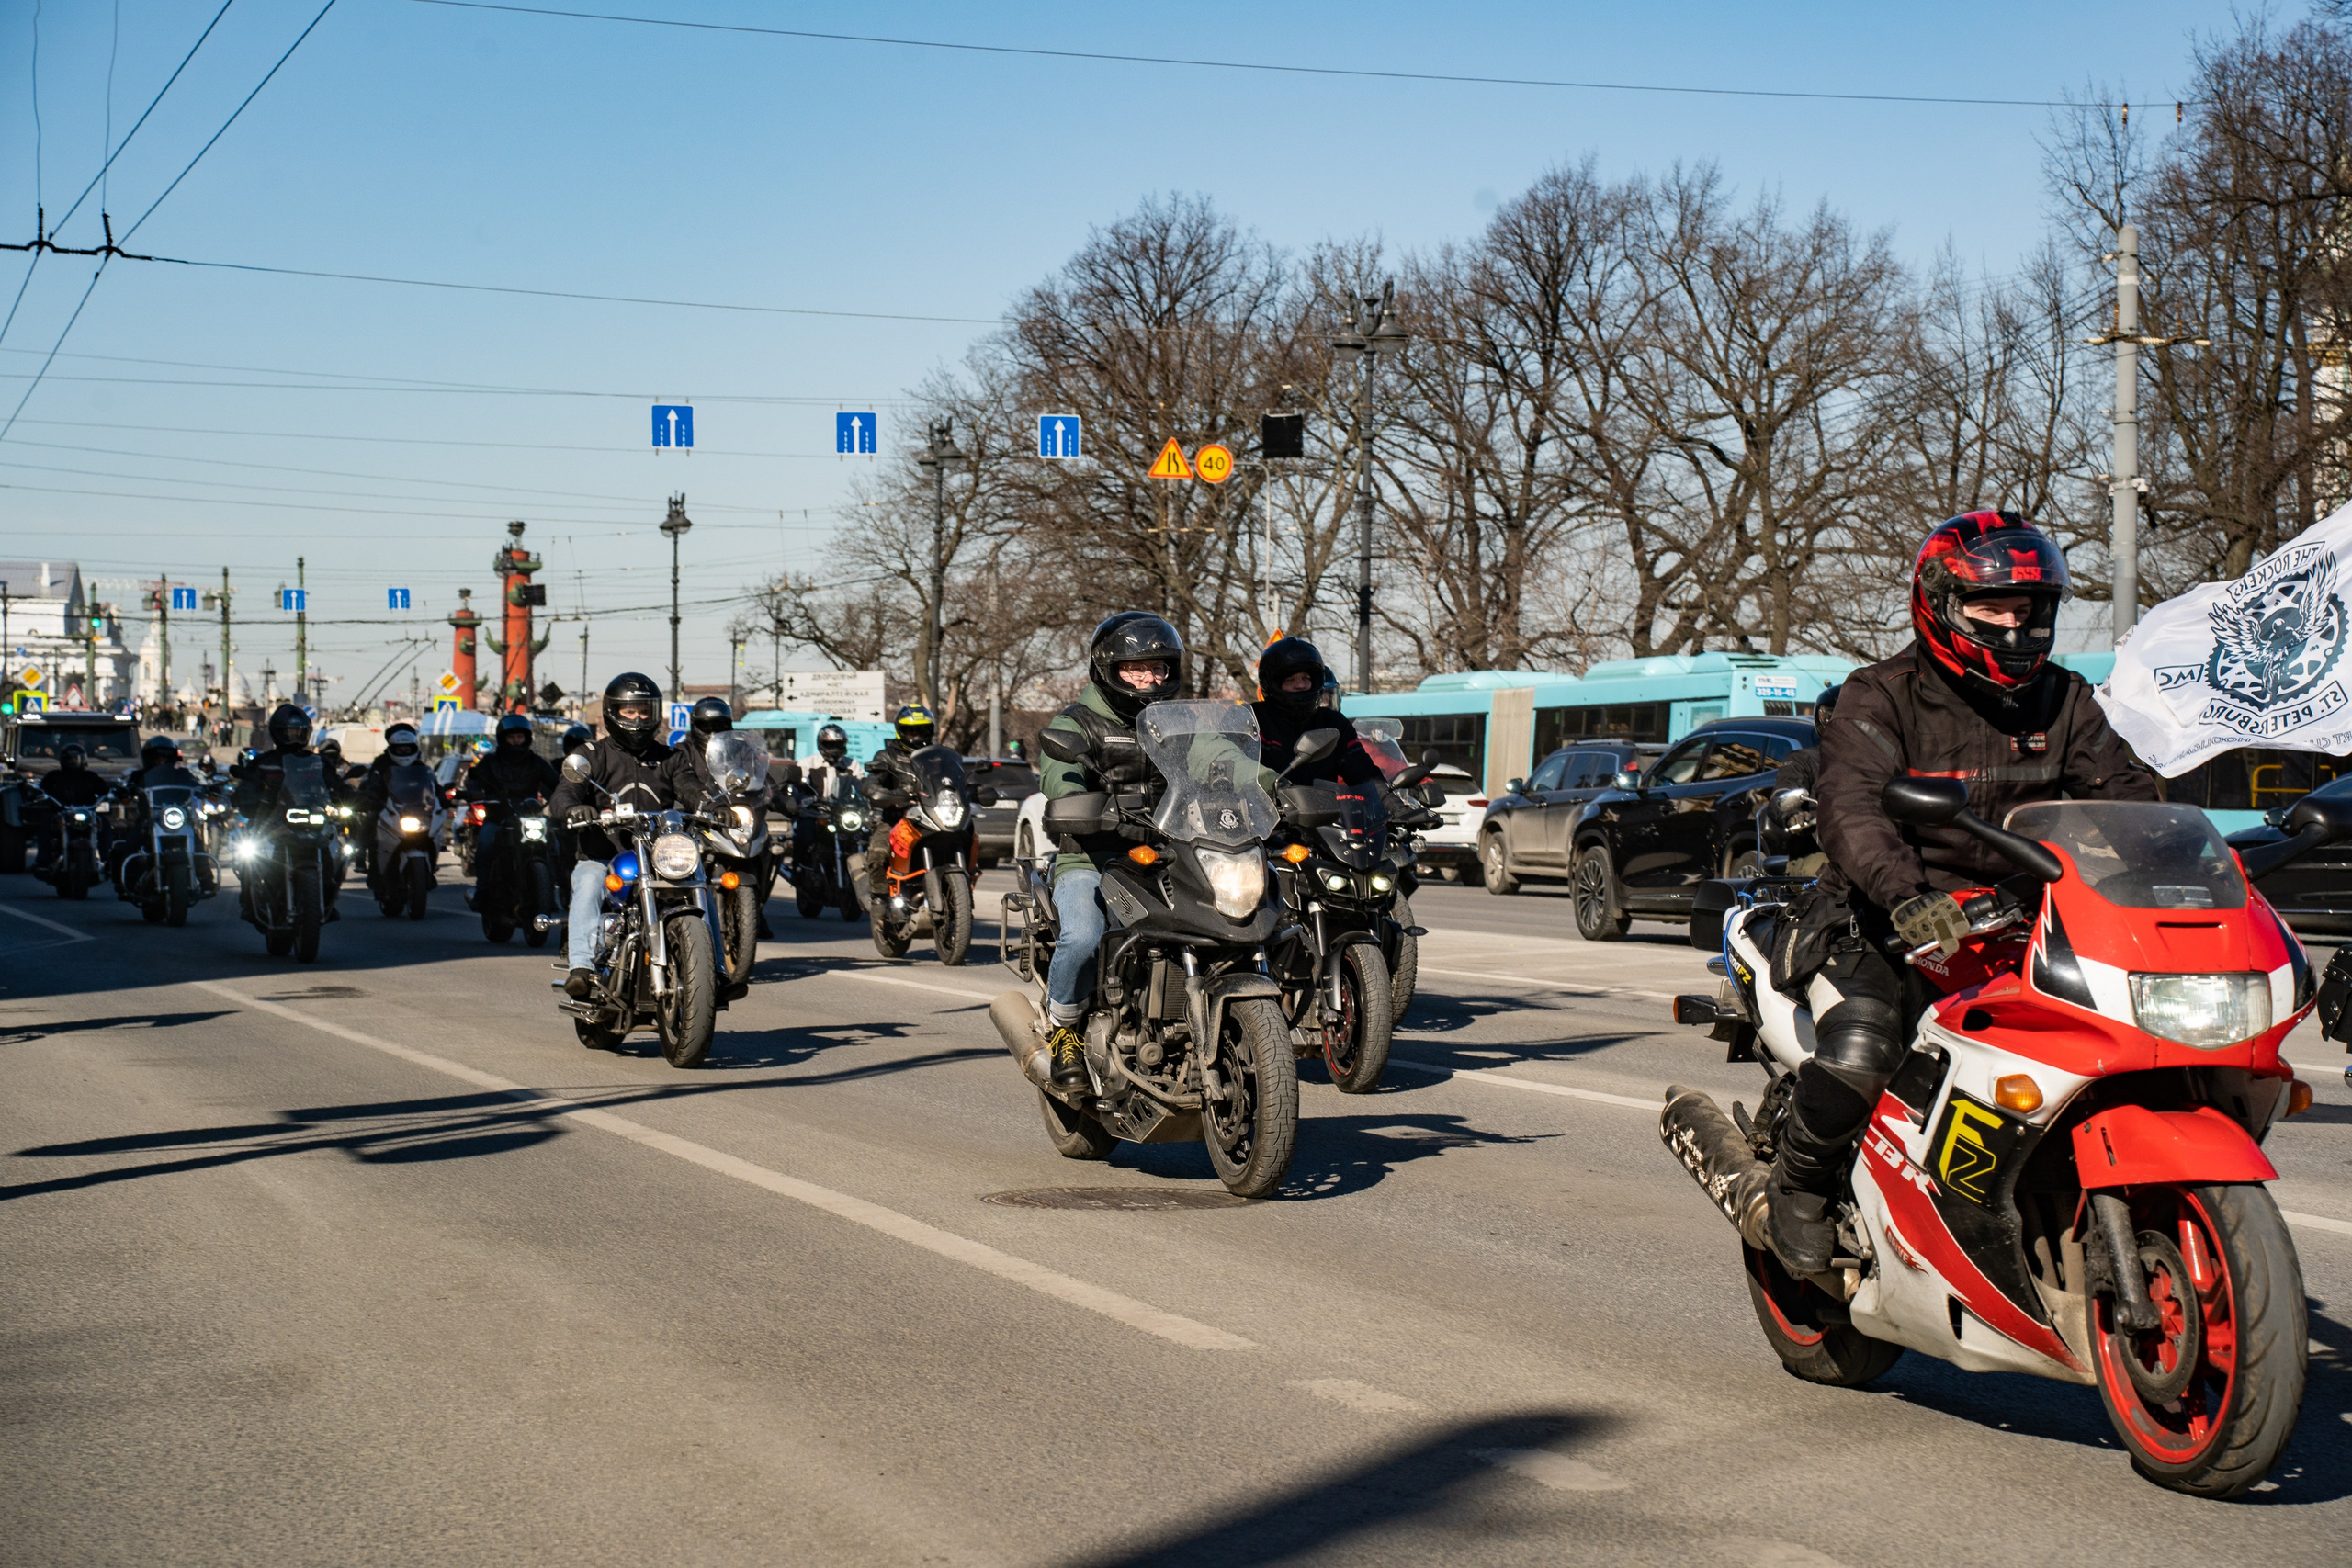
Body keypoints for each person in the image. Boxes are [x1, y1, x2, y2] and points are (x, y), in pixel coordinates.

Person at [1764, 512, 2157, 1274]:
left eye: (2028, 609)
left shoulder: (2064, 701)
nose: (2013, 626)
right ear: (1941, 603)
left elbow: (2129, 796)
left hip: (2025, 915)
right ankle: (1799, 1184)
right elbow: (1852, 808)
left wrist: (2179, 862)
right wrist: (1907, 894)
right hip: (1882, 917)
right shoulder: (1881, 696)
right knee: (1863, 1051)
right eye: (1992, 608)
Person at [1034, 612, 1183, 1089]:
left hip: (1165, 854)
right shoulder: (1076, 724)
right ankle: (1065, 1034)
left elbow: (1218, 760)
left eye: (1159, 667)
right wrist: (1078, 801)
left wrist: (1267, 786)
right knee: (1082, 936)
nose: (1150, 676)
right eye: (1137, 667)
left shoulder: (1176, 725)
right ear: (1107, 668)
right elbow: (1060, 775)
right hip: (1092, 856)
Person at [548, 673, 707, 998]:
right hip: (603, 855)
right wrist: (575, 809)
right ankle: (581, 967)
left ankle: (712, 967)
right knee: (589, 883)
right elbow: (564, 794)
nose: (638, 719)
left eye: (644, 712)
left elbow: (693, 790)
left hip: (657, 857)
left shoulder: (671, 758)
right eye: (630, 711)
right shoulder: (591, 755)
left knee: (700, 880)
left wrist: (715, 807)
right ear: (613, 713)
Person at [1250, 637, 1383, 787]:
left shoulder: (1334, 723)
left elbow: (1363, 771)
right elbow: (1233, 762)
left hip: (1324, 808)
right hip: (1264, 808)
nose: (1300, 685)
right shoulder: (1253, 719)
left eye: (1306, 678)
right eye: (1290, 680)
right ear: (1272, 683)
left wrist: (1388, 800)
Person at [464, 713, 560, 904]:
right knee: (485, 845)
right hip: (499, 818)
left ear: (527, 738)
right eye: (511, 737)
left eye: (519, 737)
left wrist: (566, 794)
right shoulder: (490, 762)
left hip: (530, 817)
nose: (516, 741)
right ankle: (482, 891)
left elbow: (557, 782)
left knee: (555, 846)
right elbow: (474, 781)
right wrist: (474, 792)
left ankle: (551, 891)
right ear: (503, 738)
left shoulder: (537, 762)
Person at [862, 703, 939, 902]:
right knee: (878, 854)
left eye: (922, 730)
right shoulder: (887, 756)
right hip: (898, 819)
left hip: (934, 817)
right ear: (901, 731)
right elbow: (873, 780)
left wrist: (969, 787)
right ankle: (880, 900)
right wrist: (877, 791)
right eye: (911, 731)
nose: (917, 736)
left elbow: (955, 778)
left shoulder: (938, 756)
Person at [34, 743, 111, 873]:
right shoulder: (54, 776)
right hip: (60, 812)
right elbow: (42, 789)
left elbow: (105, 789)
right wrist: (38, 793)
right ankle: (44, 860)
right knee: (46, 821)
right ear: (63, 760)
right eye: (69, 759)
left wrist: (113, 792)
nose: (72, 762)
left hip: (87, 812)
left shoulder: (90, 777)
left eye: (76, 759)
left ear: (83, 760)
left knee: (104, 823)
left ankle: (108, 859)